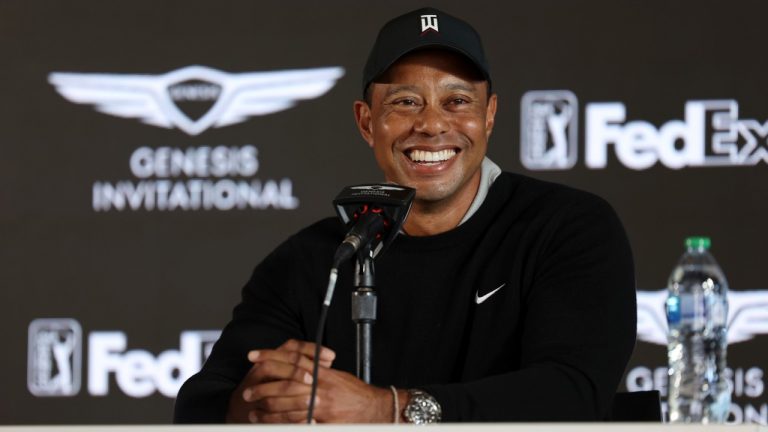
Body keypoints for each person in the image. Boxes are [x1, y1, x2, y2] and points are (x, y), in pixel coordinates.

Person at [174, 7, 636, 424]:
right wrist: (255, 405)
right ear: (366, 122)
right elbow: (200, 404)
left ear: (490, 115)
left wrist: (387, 409)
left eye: (457, 101)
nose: (432, 124)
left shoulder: (566, 227)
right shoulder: (315, 261)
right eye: (405, 102)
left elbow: (574, 393)